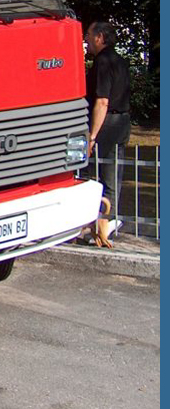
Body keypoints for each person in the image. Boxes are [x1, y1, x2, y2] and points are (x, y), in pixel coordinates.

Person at [83, 21, 131, 247]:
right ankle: (108, 220)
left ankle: (103, 224)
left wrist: (92, 135)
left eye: (89, 35)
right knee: (115, 173)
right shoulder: (120, 60)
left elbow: (102, 101)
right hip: (123, 120)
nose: (87, 40)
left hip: (107, 122)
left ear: (100, 37)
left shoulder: (102, 62)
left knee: (100, 173)